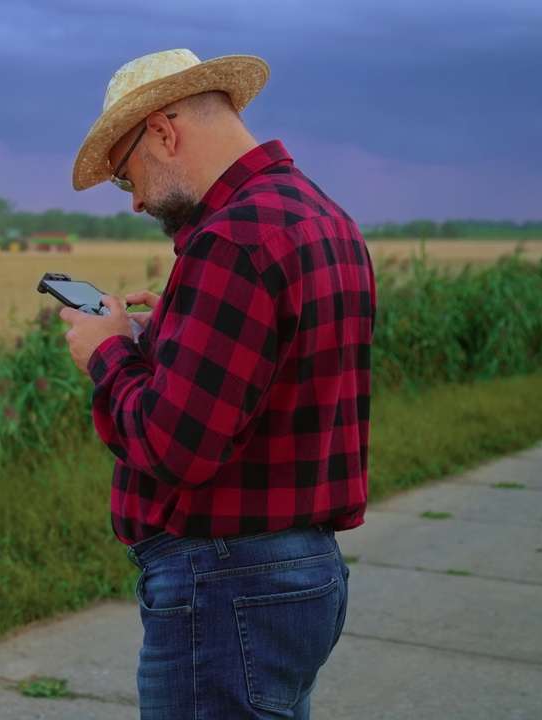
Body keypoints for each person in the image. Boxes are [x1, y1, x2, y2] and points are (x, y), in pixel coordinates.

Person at [59, 49, 375, 719]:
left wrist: (106, 352)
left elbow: (173, 447)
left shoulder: (230, 240)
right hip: (300, 573)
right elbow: (268, 387)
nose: (138, 199)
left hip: (228, 578)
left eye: (126, 177)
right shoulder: (322, 216)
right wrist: (164, 338)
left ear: (164, 132)